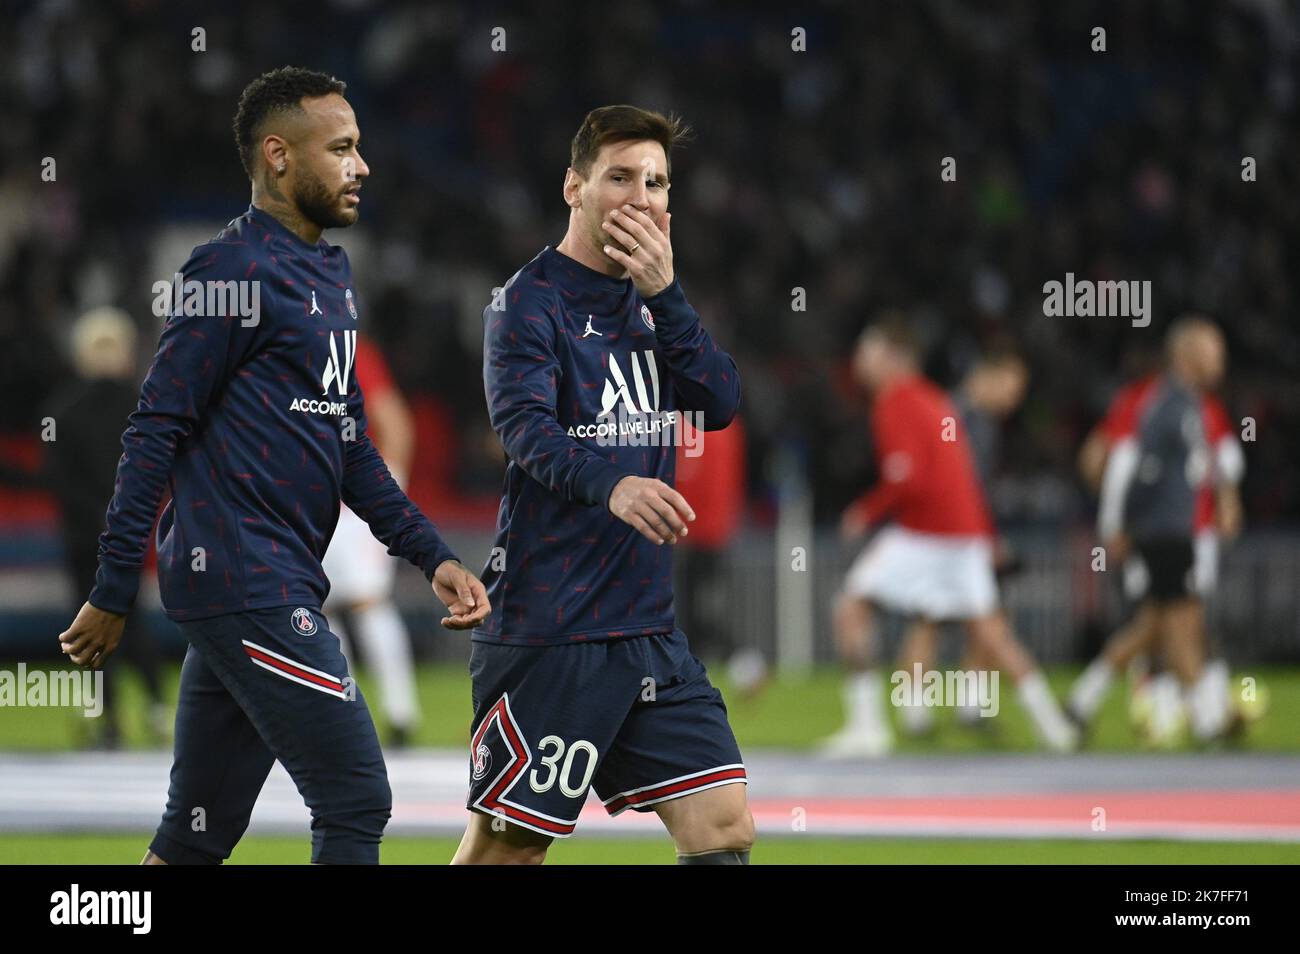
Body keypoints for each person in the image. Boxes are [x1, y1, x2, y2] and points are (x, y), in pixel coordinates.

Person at [56, 66, 489, 865]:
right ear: (280, 156)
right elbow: (155, 428)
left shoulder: (331, 273)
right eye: (344, 148)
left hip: (266, 581)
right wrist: (116, 585)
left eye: (360, 147)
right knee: (357, 796)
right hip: (243, 579)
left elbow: (348, 442)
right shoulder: (227, 273)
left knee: (196, 834)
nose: (364, 166)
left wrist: (432, 555)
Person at [453, 105, 752, 865]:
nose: (642, 196)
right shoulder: (528, 301)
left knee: (723, 826)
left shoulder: (658, 303)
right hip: (553, 628)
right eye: (620, 176)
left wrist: (668, 296)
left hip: (647, 628)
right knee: (507, 852)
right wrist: (612, 485)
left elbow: (719, 402)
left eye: (656, 182)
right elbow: (522, 428)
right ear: (574, 187)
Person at [821, 317, 1077, 757]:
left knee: (850, 609)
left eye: (868, 351)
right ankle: (1055, 728)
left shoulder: (895, 400)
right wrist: (986, 535)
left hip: (927, 533)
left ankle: (868, 727)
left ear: (892, 357)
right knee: (993, 633)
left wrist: (865, 510)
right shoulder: (936, 400)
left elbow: (907, 477)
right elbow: (963, 478)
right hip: (963, 534)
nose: (860, 362)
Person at [1069, 316, 1243, 744]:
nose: (1220, 359)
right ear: (1186, 355)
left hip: (1171, 530)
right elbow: (1121, 458)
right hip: (1164, 531)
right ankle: (1208, 717)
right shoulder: (1167, 403)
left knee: (1158, 622)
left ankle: (1082, 701)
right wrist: (1113, 523)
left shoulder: (1189, 403)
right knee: (1181, 621)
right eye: (1212, 349)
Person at [44, 306, 168, 749]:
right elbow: (157, 471)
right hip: (128, 534)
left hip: (83, 539)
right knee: (133, 622)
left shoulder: (62, 409)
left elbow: (58, 480)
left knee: (88, 627)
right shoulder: (142, 405)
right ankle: (156, 707)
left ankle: (109, 717)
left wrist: (91, 520)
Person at [321, 335, 423, 747]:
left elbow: (395, 421)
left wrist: (389, 487)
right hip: (313, 499)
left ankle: (400, 714)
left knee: (368, 601)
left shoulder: (352, 350)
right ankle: (342, 713)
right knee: (321, 606)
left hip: (356, 502)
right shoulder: (285, 346)